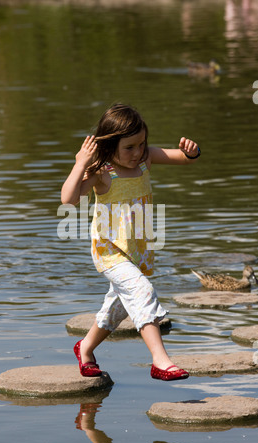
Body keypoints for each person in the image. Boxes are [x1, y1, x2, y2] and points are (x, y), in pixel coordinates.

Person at [61, 103, 200, 381]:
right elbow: (69, 199)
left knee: (116, 308)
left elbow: (183, 159)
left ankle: (85, 348)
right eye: (130, 147)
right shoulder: (102, 172)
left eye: (142, 144)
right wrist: (80, 163)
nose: (138, 152)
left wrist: (192, 151)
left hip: (137, 252)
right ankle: (160, 361)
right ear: (109, 147)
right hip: (110, 252)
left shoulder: (146, 159)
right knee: (142, 291)